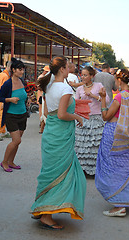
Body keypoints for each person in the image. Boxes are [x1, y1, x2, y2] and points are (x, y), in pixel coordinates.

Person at [31, 56, 86, 230]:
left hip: (51, 133)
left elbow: (47, 112)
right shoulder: (64, 88)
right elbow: (62, 114)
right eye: (68, 65)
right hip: (61, 134)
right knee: (60, 173)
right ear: (62, 69)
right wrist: (77, 116)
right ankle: (46, 215)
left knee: (50, 172)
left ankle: (43, 208)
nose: (71, 67)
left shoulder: (49, 86)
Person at [95, 68, 129, 217]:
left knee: (112, 168)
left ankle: (119, 205)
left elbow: (105, 116)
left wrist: (103, 98)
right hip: (128, 135)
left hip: (114, 134)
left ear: (118, 80)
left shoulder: (120, 97)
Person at [74, 66, 109, 176]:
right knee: (82, 145)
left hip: (96, 118)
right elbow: (76, 103)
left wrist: (93, 96)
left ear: (92, 76)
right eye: (82, 75)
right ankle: (82, 169)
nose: (83, 77)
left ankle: (95, 170)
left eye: (85, 75)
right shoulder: (79, 89)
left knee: (95, 145)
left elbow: (106, 100)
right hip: (83, 118)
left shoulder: (99, 86)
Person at [0, 58, 27, 172]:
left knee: (18, 141)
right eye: (20, 69)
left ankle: (11, 161)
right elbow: (0, 98)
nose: (22, 72)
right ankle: (4, 162)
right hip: (11, 115)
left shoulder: (22, 81)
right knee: (16, 141)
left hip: (22, 114)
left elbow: (23, 95)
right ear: (13, 70)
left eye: (23, 69)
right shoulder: (7, 83)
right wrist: (10, 99)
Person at [0, 61, 12, 141]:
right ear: (10, 67)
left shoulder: (0, 74)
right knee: (1, 117)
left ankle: (3, 132)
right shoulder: (6, 77)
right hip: (2, 100)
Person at [37, 65, 50, 134]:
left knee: (43, 111)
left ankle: (42, 127)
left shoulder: (44, 77)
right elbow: (38, 87)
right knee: (43, 111)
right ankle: (42, 127)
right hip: (42, 96)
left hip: (43, 96)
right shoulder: (42, 77)